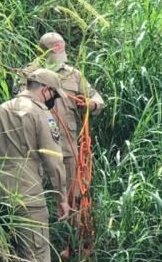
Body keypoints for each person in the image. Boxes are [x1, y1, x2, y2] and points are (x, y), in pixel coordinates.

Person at [0, 68, 69, 262]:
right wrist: (62, 197)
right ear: (47, 90)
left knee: (4, 255)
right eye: (55, 95)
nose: (54, 100)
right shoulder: (41, 114)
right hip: (28, 193)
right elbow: (53, 160)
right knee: (36, 258)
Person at [16, 32, 105, 219]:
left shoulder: (74, 75)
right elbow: (19, 103)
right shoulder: (28, 75)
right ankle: (45, 235)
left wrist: (92, 104)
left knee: (74, 194)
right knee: (39, 193)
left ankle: (71, 241)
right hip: (36, 145)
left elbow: (97, 98)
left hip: (68, 145)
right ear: (40, 52)